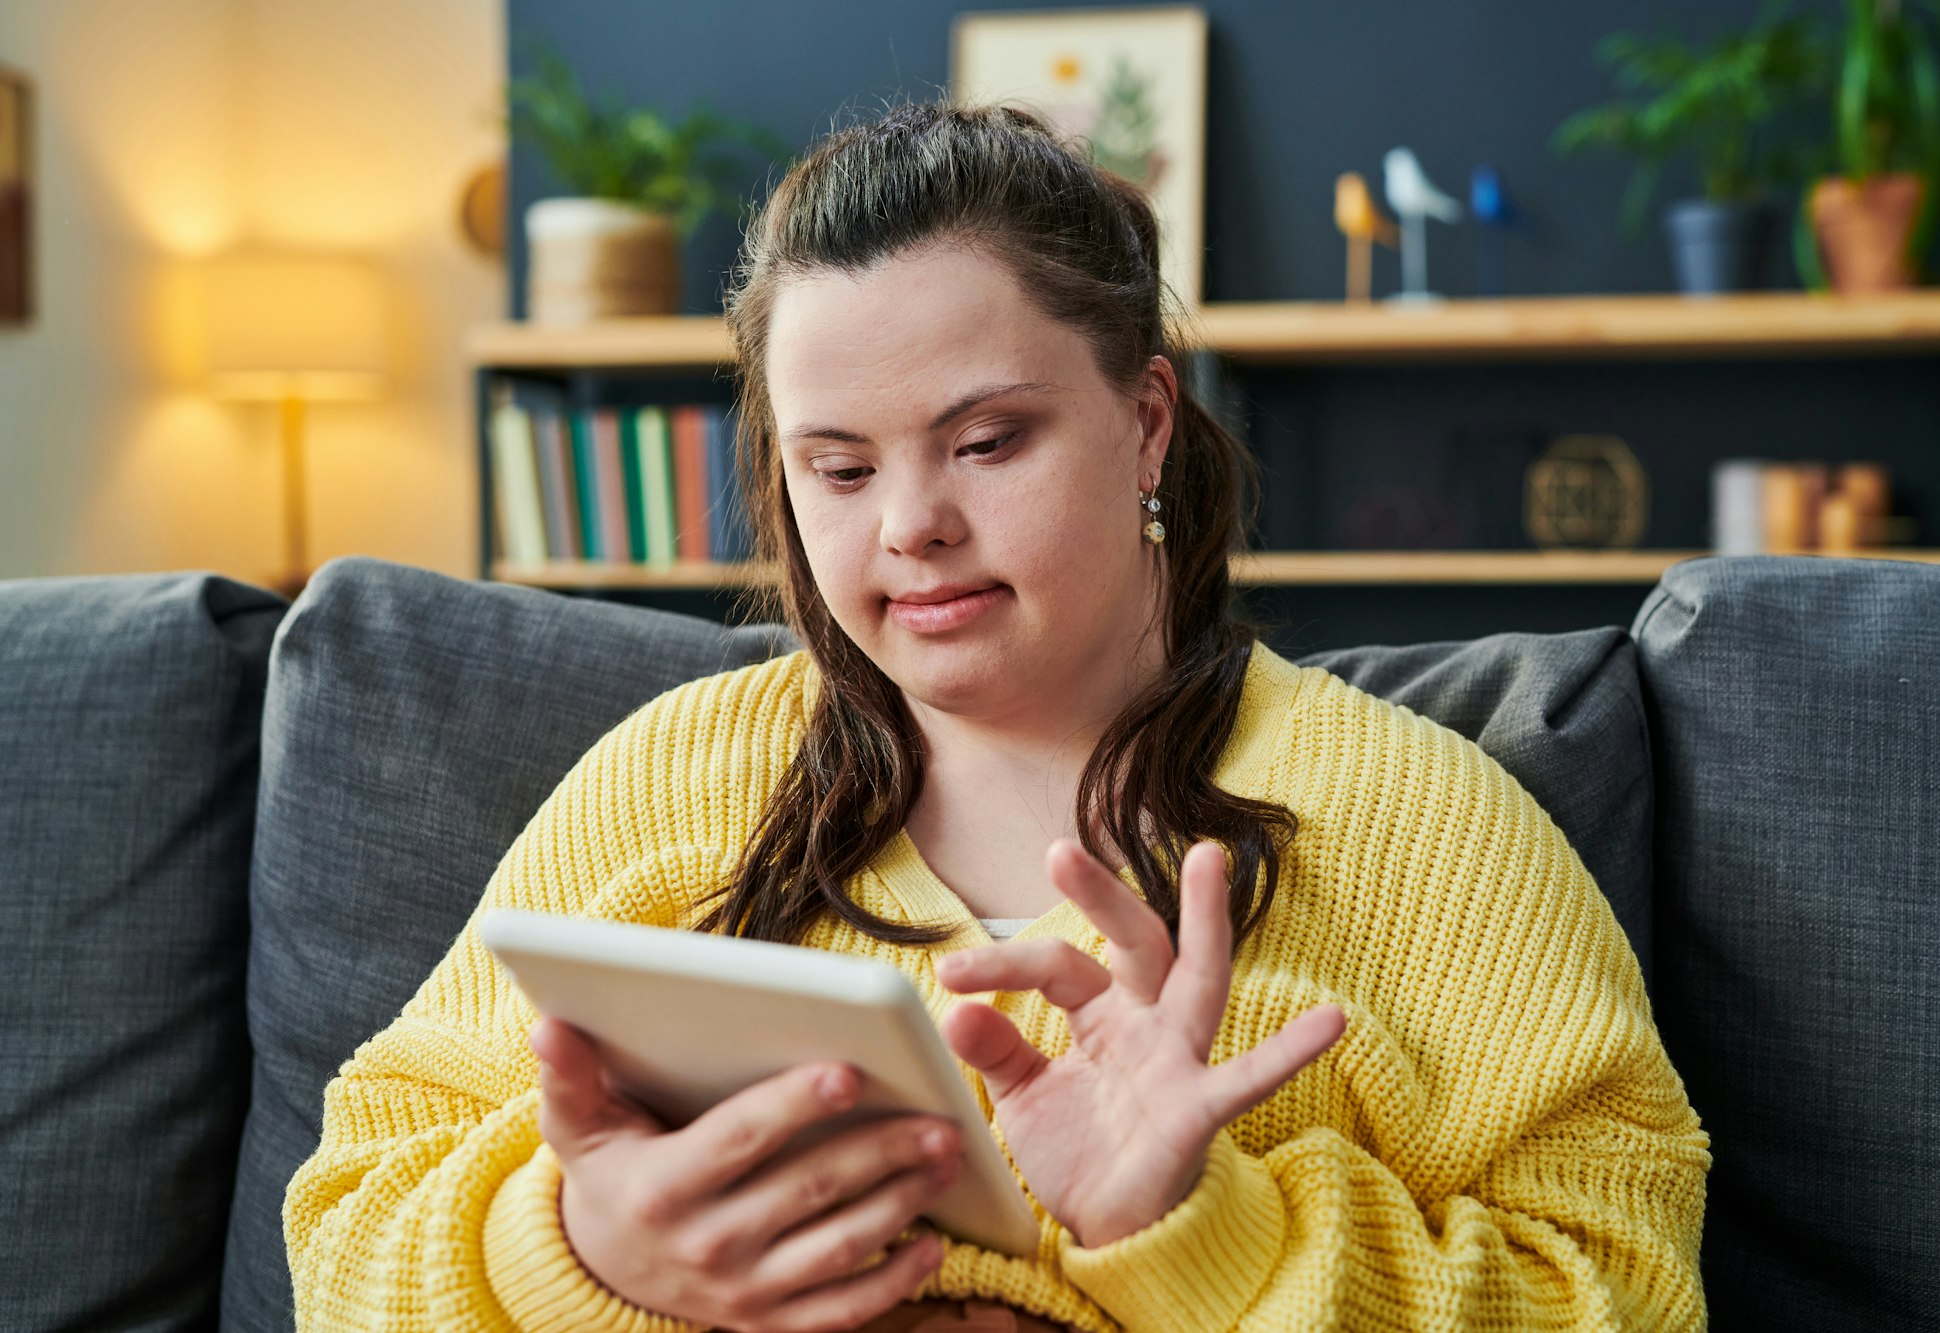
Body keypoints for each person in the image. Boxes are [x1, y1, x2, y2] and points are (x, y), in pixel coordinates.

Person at [285, 102, 1709, 1332]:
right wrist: (579, 1250)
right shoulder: (668, 785)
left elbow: (1631, 1290)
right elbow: (341, 1228)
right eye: (837, 470)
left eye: (985, 443)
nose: (913, 526)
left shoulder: (1419, 821)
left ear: (1147, 419)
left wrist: (1213, 1230)